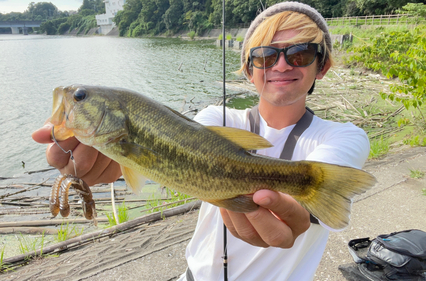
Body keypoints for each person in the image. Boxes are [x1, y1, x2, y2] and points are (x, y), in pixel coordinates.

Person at [32, 2, 370, 280]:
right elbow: (173, 146)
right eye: (265, 56)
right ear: (248, 68)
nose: (281, 65)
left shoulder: (344, 137)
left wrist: (297, 205)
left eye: (300, 54)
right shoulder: (217, 118)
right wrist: (104, 165)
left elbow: (312, 204)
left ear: (322, 65)